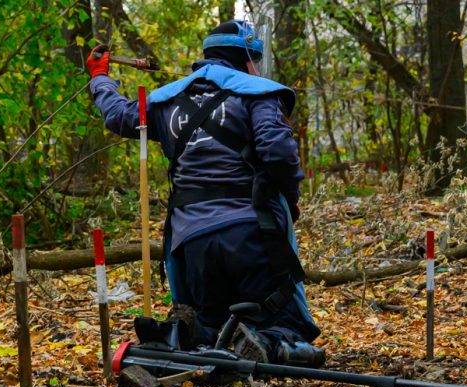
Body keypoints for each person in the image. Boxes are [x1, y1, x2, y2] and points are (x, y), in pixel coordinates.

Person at [86, 20, 324, 367]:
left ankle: (201, 337)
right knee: (281, 322)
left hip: (190, 244)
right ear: (247, 58)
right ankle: (272, 344)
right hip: (253, 234)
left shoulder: (167, 100)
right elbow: (278, 151)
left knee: (211, 324)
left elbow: (120, 116)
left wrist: (100, 79)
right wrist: (288, 197)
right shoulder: (258, 93)